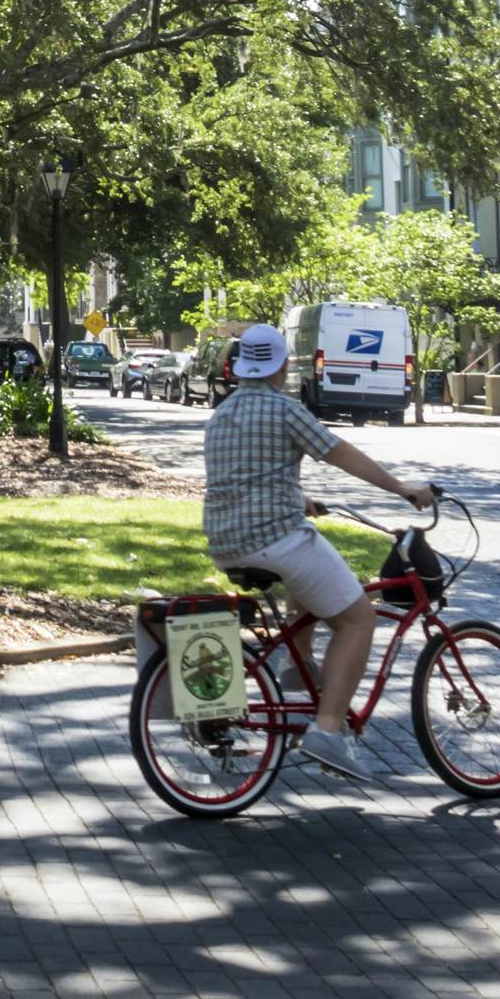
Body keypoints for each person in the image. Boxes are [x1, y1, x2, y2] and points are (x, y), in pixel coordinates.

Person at [200, 323, 438, 783]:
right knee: (358, 620)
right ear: (283, 365)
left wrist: (300, 499)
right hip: (274, 537)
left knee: (309, 573)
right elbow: (340, 452)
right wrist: (402, 488)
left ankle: (297, 670)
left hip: (226, 542)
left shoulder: (222, 414)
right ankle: (328, 731)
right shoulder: (284, 409)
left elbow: (250, 474)